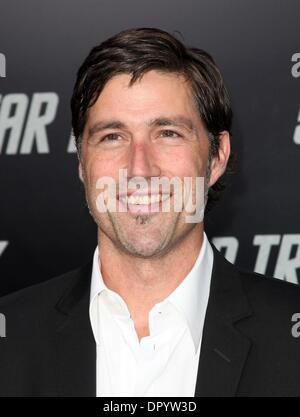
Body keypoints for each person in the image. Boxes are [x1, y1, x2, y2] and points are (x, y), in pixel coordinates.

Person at [1, 27, 300, 397]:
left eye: (168, 133)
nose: (139, 169)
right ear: (82, 162)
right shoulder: (9, 337)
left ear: (217, 156)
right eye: (113, 136)